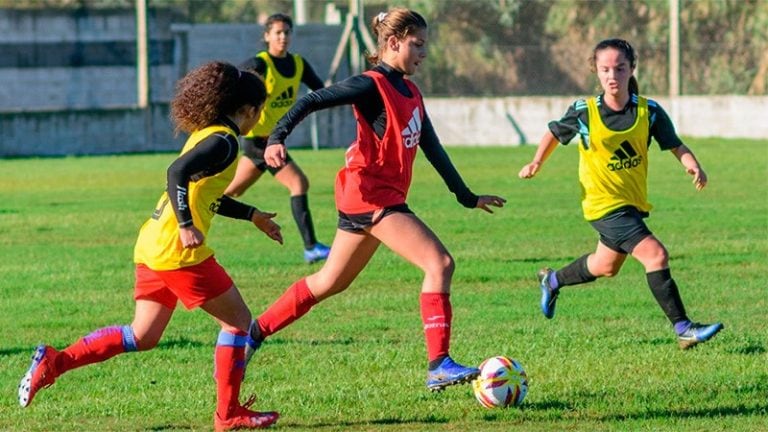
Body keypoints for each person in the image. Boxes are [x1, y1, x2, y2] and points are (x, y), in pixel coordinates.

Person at [242, 8, 506, 392]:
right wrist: (278, 137)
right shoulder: (370, 84)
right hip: (371, 195)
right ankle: (438, 364)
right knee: (440, 263)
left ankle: (255, 331)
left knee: (329, 282)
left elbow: (431, 146)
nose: (424, 53)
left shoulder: (411, 91)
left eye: (425, 45)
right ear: (394, 43)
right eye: (418, 45)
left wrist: (467, 197)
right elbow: (311, 100)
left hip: (371, 197)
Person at [18, 62, 283, 431]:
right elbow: (176, 173)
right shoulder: (224, 141)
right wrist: (188, 227)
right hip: (178, 250)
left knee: (142, 336)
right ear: (251, 110)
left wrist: (252, 214)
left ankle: (55, 362)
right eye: (261, 110)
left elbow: (202, 195)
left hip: (154, 243)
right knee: (238, 323)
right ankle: (228, 414)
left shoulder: (211, 133)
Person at [518, 38, 723, 350]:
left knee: (605, 266)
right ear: (596, 73)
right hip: (602, 204)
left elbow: (675, 144)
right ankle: (683, 327)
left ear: (631, 69)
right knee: (656, 254)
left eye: (619, 68)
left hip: (632, 203)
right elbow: (554, 133)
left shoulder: (648, 111)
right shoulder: (584, 111)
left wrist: (692, 165)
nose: (612, 75)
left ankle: (553, 280)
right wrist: (536, 161)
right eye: (605, 69)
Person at [226, 13, 330, 264]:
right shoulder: (259, 64)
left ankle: (193, 201)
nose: (283, 37)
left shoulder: (298, 64)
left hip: (271, 142)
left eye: (287, 32)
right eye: (278, 33)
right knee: (299, 183)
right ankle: (311, 247)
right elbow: (232, 81)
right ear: (267, 36)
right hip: (259, 141)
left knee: (229, 193)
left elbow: (322, 92)